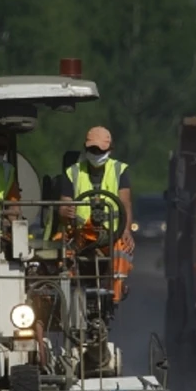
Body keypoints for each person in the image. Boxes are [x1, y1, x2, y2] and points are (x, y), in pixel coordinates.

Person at [57, 125, 134, 302]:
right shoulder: (73, 172)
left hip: (111, 234)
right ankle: (67, 295)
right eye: (92, 149)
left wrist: (126, 230)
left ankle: (114, 294)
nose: (96, 153)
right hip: (80, 233)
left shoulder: (119, 170)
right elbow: (63, 204)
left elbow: (125, 204)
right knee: (61, 250)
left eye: (100, 150)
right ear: (86, 148)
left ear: (109, 150)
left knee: (122, 250)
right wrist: (64, 211)